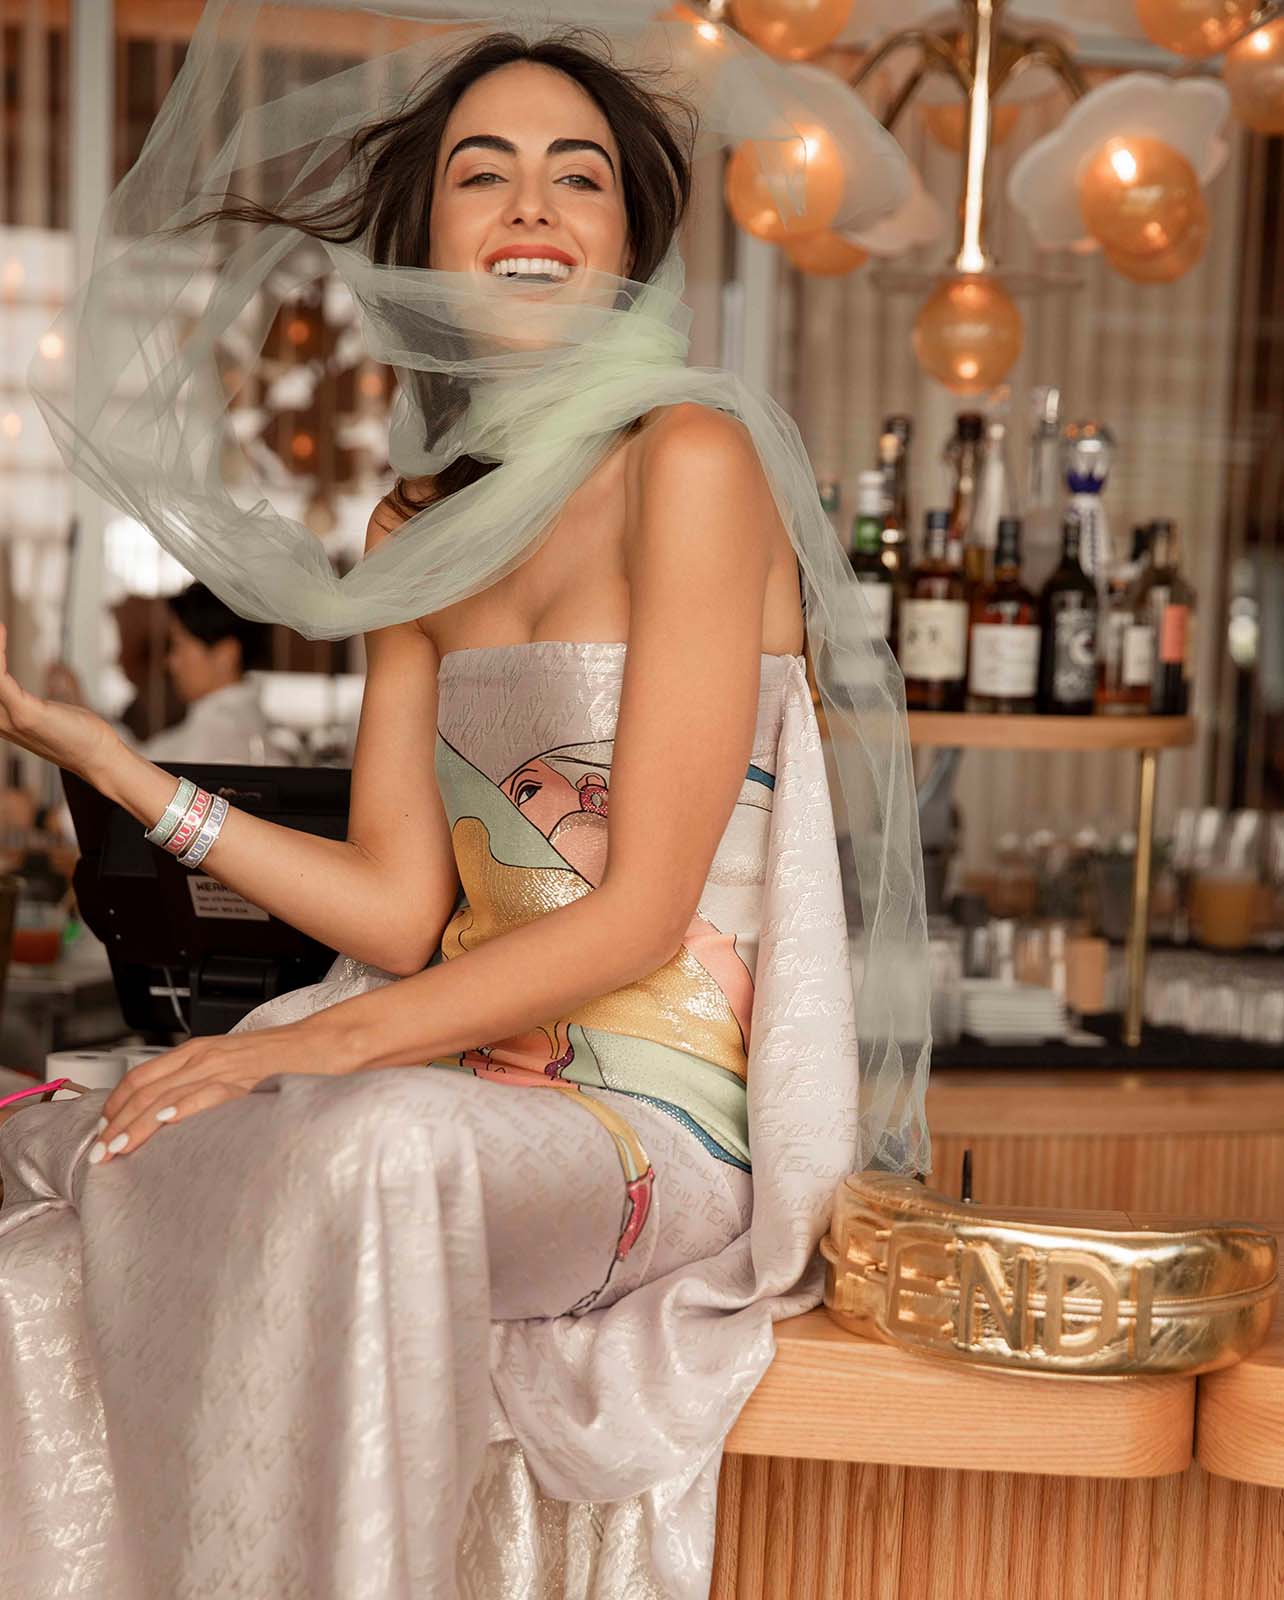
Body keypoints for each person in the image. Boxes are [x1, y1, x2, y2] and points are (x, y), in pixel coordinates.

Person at [0, 13, 929, 1598]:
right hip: (458, 1084)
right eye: (482, 174)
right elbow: (399, 908)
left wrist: (303, 1045)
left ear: (631, 239)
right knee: (74, 1147)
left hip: (654, 1130)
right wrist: (116, 769)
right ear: (425, 234)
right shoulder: (411, 524)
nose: (532, 207)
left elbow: (641, 912)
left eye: (580, 177)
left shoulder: (690, 459)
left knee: (370, 1146)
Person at [46, 582, 282, 764]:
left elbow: (135, 778)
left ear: (225, 655)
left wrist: (42, 816)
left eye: (178, 646)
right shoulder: (230, 722)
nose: (170, 662)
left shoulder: (221, 734)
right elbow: (142, 762)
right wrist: (80, 706)